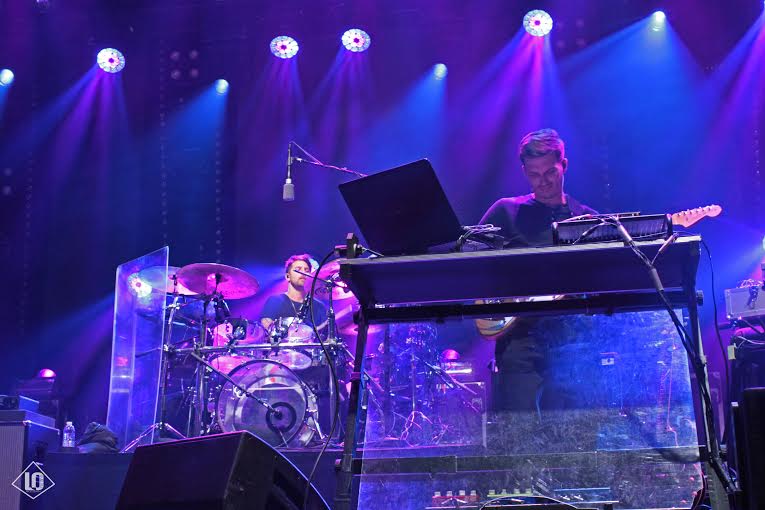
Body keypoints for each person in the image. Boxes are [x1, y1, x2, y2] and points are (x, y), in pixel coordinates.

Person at [478, 128, 598, 411]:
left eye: (550, 172)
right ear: (524, 172)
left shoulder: (587, 219)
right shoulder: (506, 211)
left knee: (573, 429)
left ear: (564, 165)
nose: (543, 181)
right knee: (521, 429)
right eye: (534, 174)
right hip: (520, 341)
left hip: (572, 343)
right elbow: (469, 258)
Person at [260, 254, 328, 333]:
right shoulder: (275, 301)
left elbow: (325, 334)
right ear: (287, 276)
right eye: (298, 270)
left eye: (307, 271)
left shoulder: (319, 306)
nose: (303, 273)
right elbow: (266, 324)